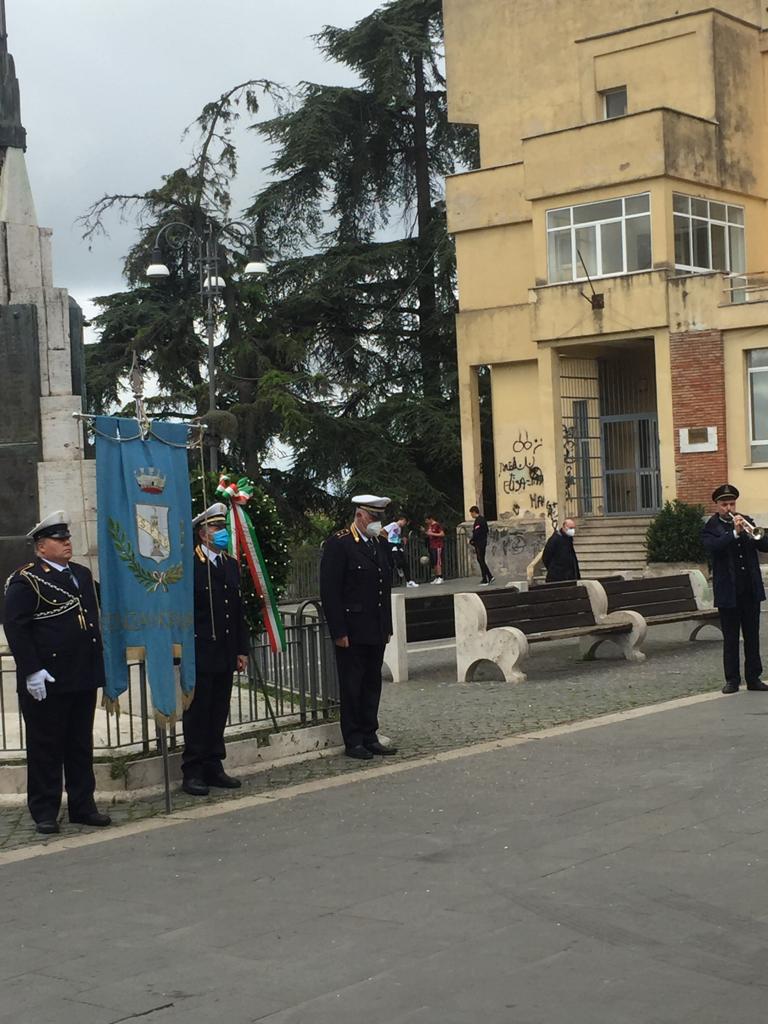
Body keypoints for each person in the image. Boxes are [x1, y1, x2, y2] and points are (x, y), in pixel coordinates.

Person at [4, 511, 111, 835]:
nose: (66, 543)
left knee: (80, 745)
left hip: (81, 674)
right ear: (40, 547)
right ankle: (44, 810)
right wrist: (32, 670)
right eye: (58, 539)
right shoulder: (26, 580)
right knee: (46, 747)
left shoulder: (80, 574)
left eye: (67, 538)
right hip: (48, 679)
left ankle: (82, 805)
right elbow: (17, 628)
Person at [320, 495, 397, 760]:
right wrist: (339, 631)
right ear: (360, 516)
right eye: (374, 518)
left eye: (380, 518)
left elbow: (383, 589)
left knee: (371, 683)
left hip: (375, 628)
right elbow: (330, 591)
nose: (377, 523)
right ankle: (353, 739)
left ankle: (369, 734)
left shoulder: (378, 544)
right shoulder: (340, 544)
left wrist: (386, 626)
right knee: (352, 685)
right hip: (352, 630)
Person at [182, 502, 250, 795]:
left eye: (223, 527)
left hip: (224, 651)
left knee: (219, 710)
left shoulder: (229, 564)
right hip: (200, 650)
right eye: (215, 527)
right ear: (201, 532)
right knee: (199, 713)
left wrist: (241, 649)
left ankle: (214, 765)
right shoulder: (189, 565)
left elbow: (236, 612)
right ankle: (193, 770)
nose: (221, 532)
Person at [702, 484, 768, 694]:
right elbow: (714, 547)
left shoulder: (747, 520)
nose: (729, 507)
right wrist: (734, 533)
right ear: (717, 505)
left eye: (732, 503)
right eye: (725, 504)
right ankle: (732, 679)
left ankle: (754, 678)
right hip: (728, 592)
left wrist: (753, 534)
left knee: (752, 636)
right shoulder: (710, 527)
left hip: (749, 589)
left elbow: (765, 545)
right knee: (730, 638)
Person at [384, 516, 418, 588]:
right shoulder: (393, 525)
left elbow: (396, 536)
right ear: (402, 520)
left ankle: (409, 581)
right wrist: (387, 539)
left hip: (398, 544)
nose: (404, 524)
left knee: (405, 562)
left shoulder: (399, 528)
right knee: (398, 561)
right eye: (405, 522)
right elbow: (382, 531)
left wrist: (402, 538)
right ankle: (399, 567)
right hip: (392, 544)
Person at [542, 518, 580, 582]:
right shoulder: (554, 539)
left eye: (573, 528)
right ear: (564, 527)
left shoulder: (568, 539)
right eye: (570, 528)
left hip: (570, 577)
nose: (573, 530)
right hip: (557, 578)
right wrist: (554, 569)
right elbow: (546, 557)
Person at [469, 506, 495, 585]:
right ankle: (489, 576)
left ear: (474, 512)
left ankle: (485, 579)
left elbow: (477, 532)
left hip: (480, 543)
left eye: (471, 513)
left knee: (481, 560)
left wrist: (472, 540)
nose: (471, 515)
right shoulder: (482, 519)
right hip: (481, 542)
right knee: (481, 560)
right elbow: (486, 530)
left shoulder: (479, 520)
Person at [425, 515, 445, 584]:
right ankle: (436, 576)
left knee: (438, 562)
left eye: (427, 520)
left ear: (430, 519)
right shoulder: (430, 526)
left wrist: (432, 533)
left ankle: (440, 576)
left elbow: (442, 534)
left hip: (438, 545)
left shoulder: (437, 525)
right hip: (432, 545)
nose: (426, 522)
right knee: (434, 562)